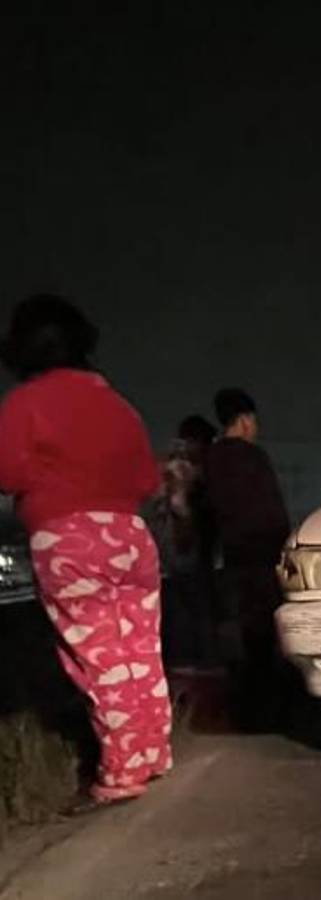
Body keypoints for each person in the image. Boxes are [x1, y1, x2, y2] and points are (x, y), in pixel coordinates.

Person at [0, 294, 171, 810]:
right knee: (140, 651)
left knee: (98, 659)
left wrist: (50, 479)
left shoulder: (24, 404)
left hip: (68, 537)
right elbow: (147, 478)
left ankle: (120, 774)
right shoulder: (119, 405)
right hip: (130, 536)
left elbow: (7, 474)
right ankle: (152, 753)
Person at [204, 388, 291, 724]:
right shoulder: (254, 457)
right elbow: (274, 511)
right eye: (253, 421)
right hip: (264, 554)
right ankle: (271, 706)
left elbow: (210, 511)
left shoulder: (212, 460)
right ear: (243, 420)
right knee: (267, 631)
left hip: (234, 557)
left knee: (246, 633)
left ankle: (249, 704)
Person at [154, 414, 218, 673]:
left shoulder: (176, 467)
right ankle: (202, 663)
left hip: (179, 547)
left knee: (188, 604)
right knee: (197, 605)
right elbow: (180, 507)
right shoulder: (188, 470)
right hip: (187, 544)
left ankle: (192, 661)